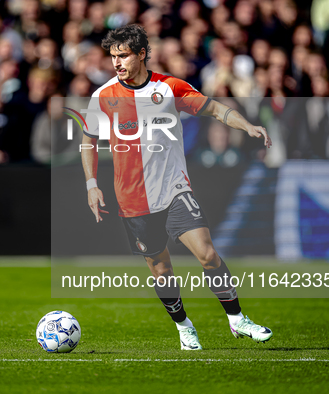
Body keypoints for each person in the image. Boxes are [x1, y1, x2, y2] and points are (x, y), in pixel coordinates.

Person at [81, 24, 274, 350]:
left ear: (142, 54)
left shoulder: (168, 88)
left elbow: (213, 108)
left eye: (123, 55)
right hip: (132, 200)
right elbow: (88, 141)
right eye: (113, 56)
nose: (117, 63)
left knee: (208, 253)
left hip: (173, 190)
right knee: (162, 271)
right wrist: (91, 185)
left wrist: (248, 125)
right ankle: (184, 326)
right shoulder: (102, 96)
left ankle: (237, 318)